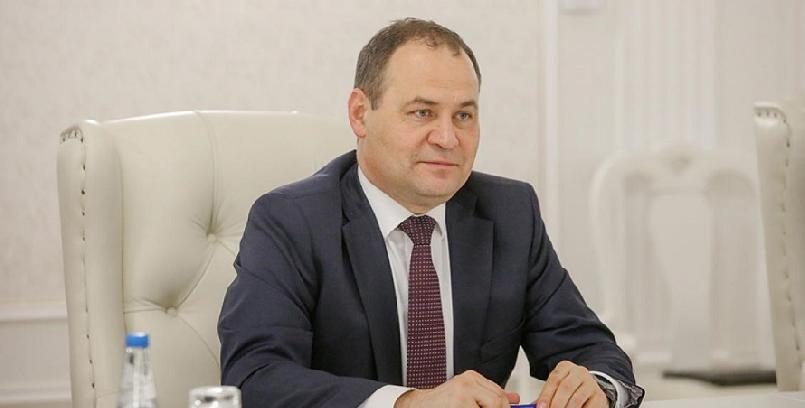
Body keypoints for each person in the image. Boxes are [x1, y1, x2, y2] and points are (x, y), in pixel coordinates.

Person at [218, 18, 645, 408]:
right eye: (422, 112)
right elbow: (255, 378)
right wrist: (407, 403)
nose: (447, 137)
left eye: (464, 115)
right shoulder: (291, 221)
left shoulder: (510, 212)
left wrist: (597, 386)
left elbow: (590, 348)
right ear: (360, 114)